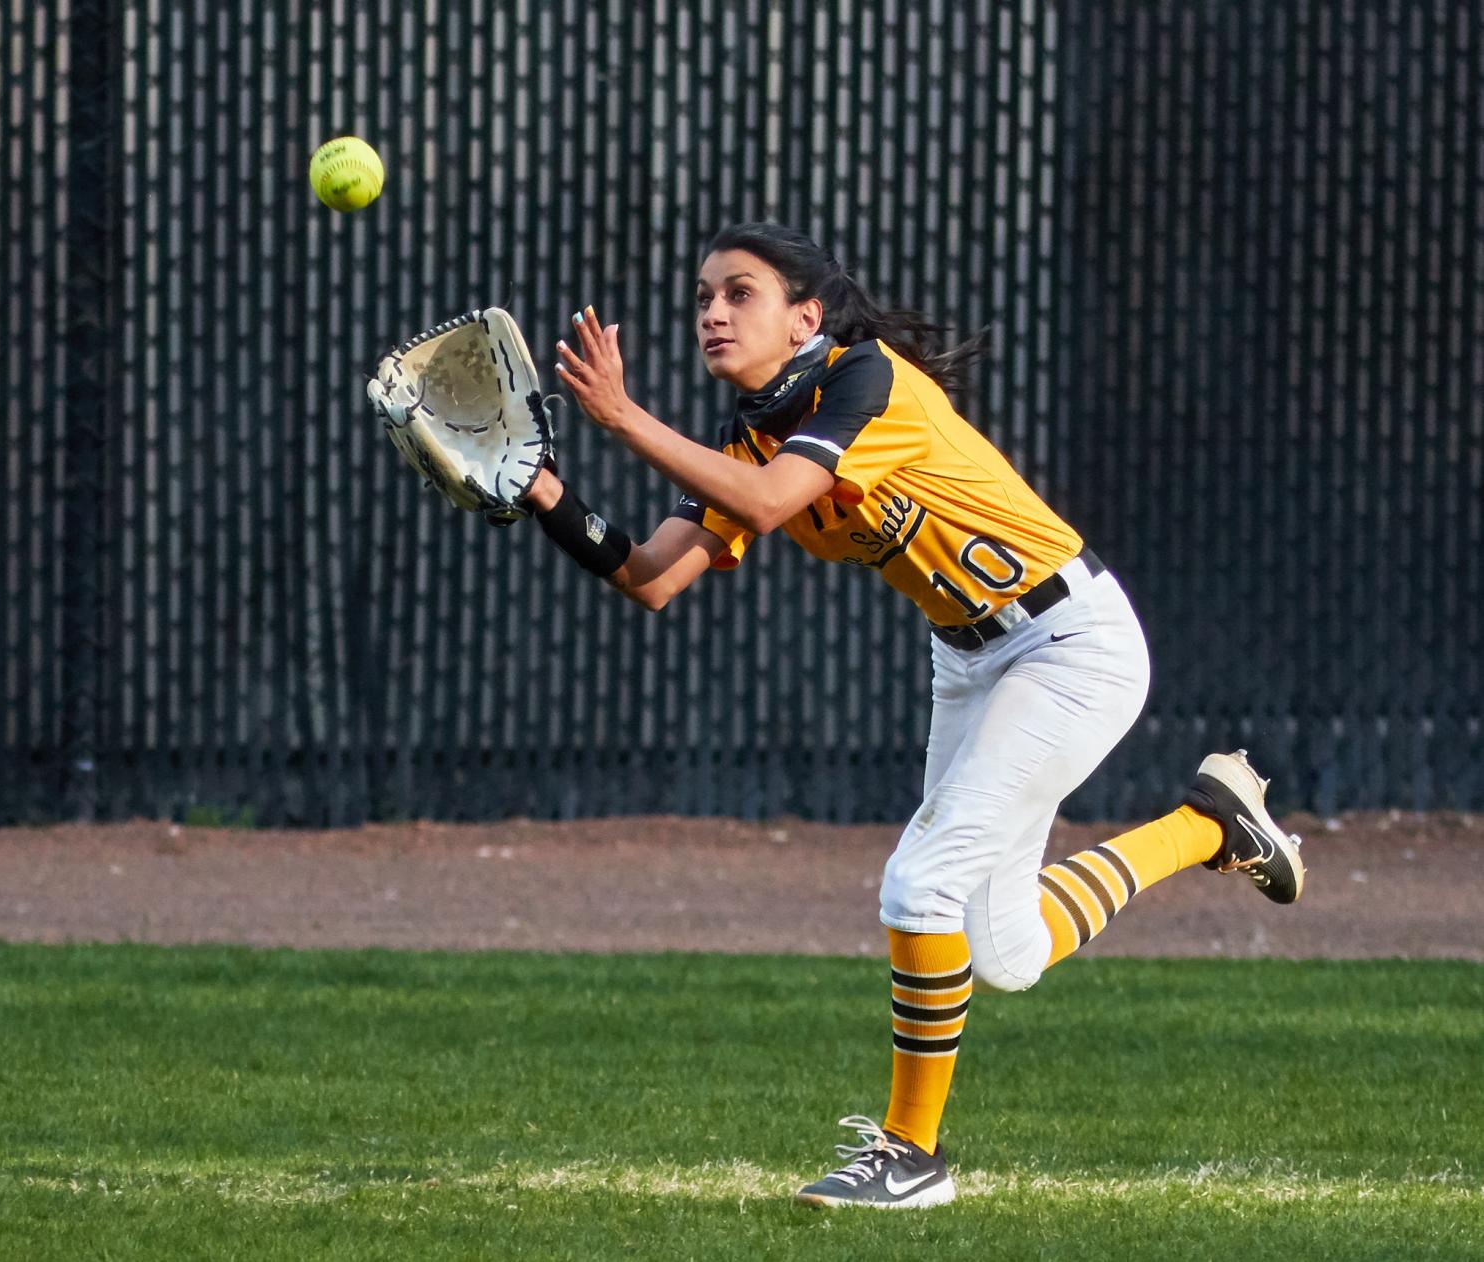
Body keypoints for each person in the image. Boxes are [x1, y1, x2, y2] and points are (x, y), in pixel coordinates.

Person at [525, 221, 1306, 1209]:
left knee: (918, 883)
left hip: (1070, 642)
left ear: (806, 315)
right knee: (1007, 950)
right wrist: (543, 491)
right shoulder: (755, 431)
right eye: (701, 296)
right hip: (972, 660)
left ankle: (913, 1154)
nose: (711, 312)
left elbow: (769, 503)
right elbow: (652, 576)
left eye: (739, 292)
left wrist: (627, 419)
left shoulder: (865, 381)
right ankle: (1209, 821)